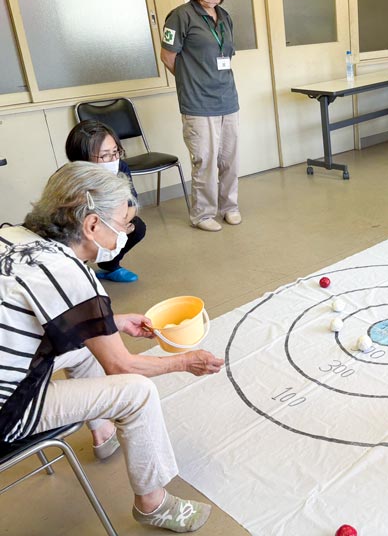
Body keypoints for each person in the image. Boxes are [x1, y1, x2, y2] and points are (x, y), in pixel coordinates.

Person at [0, 162, 224, 531]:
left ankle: (102, 432)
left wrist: (111, 322)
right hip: (8, 409)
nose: (124, 232)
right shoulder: (70, 273)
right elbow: (124, 368)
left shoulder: (13, 236)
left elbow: (43, 313)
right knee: (137, 392)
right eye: (121, 223)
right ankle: (153, 504)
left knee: (91, 346)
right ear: (91, 224)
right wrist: (185, 361)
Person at [160, 0, 241, 233]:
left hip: (228, 99)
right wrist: (190, 82)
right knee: (205, 161)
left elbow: (226, 56)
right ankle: (203, 213)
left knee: (229, 158)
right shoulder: (180, 17)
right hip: (198, 103)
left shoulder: (225, 17)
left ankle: (229, 206)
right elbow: (168, 57)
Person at [65, 120, 145, 283]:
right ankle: (75, 274)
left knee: (137, 227)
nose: (113, 159)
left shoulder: (120, 167)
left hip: (109, 221)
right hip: (80, 228)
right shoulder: (71, 178)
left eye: (115, 152)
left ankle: (110, 265)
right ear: (83, 157)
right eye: (104, 155)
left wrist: (120, 226)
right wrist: (111, 229)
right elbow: (73, 222)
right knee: (77, 244)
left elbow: (132, 204)